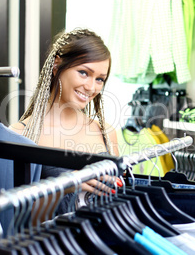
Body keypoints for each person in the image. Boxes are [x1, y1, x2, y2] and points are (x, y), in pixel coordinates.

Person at [10, 28, 120, 214]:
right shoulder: (20, 135)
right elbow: (13, 216)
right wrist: (67, 185)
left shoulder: (106, 133)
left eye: (100, 79)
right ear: (56, 65)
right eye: (84, 72)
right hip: (51, 241)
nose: (91, 87)